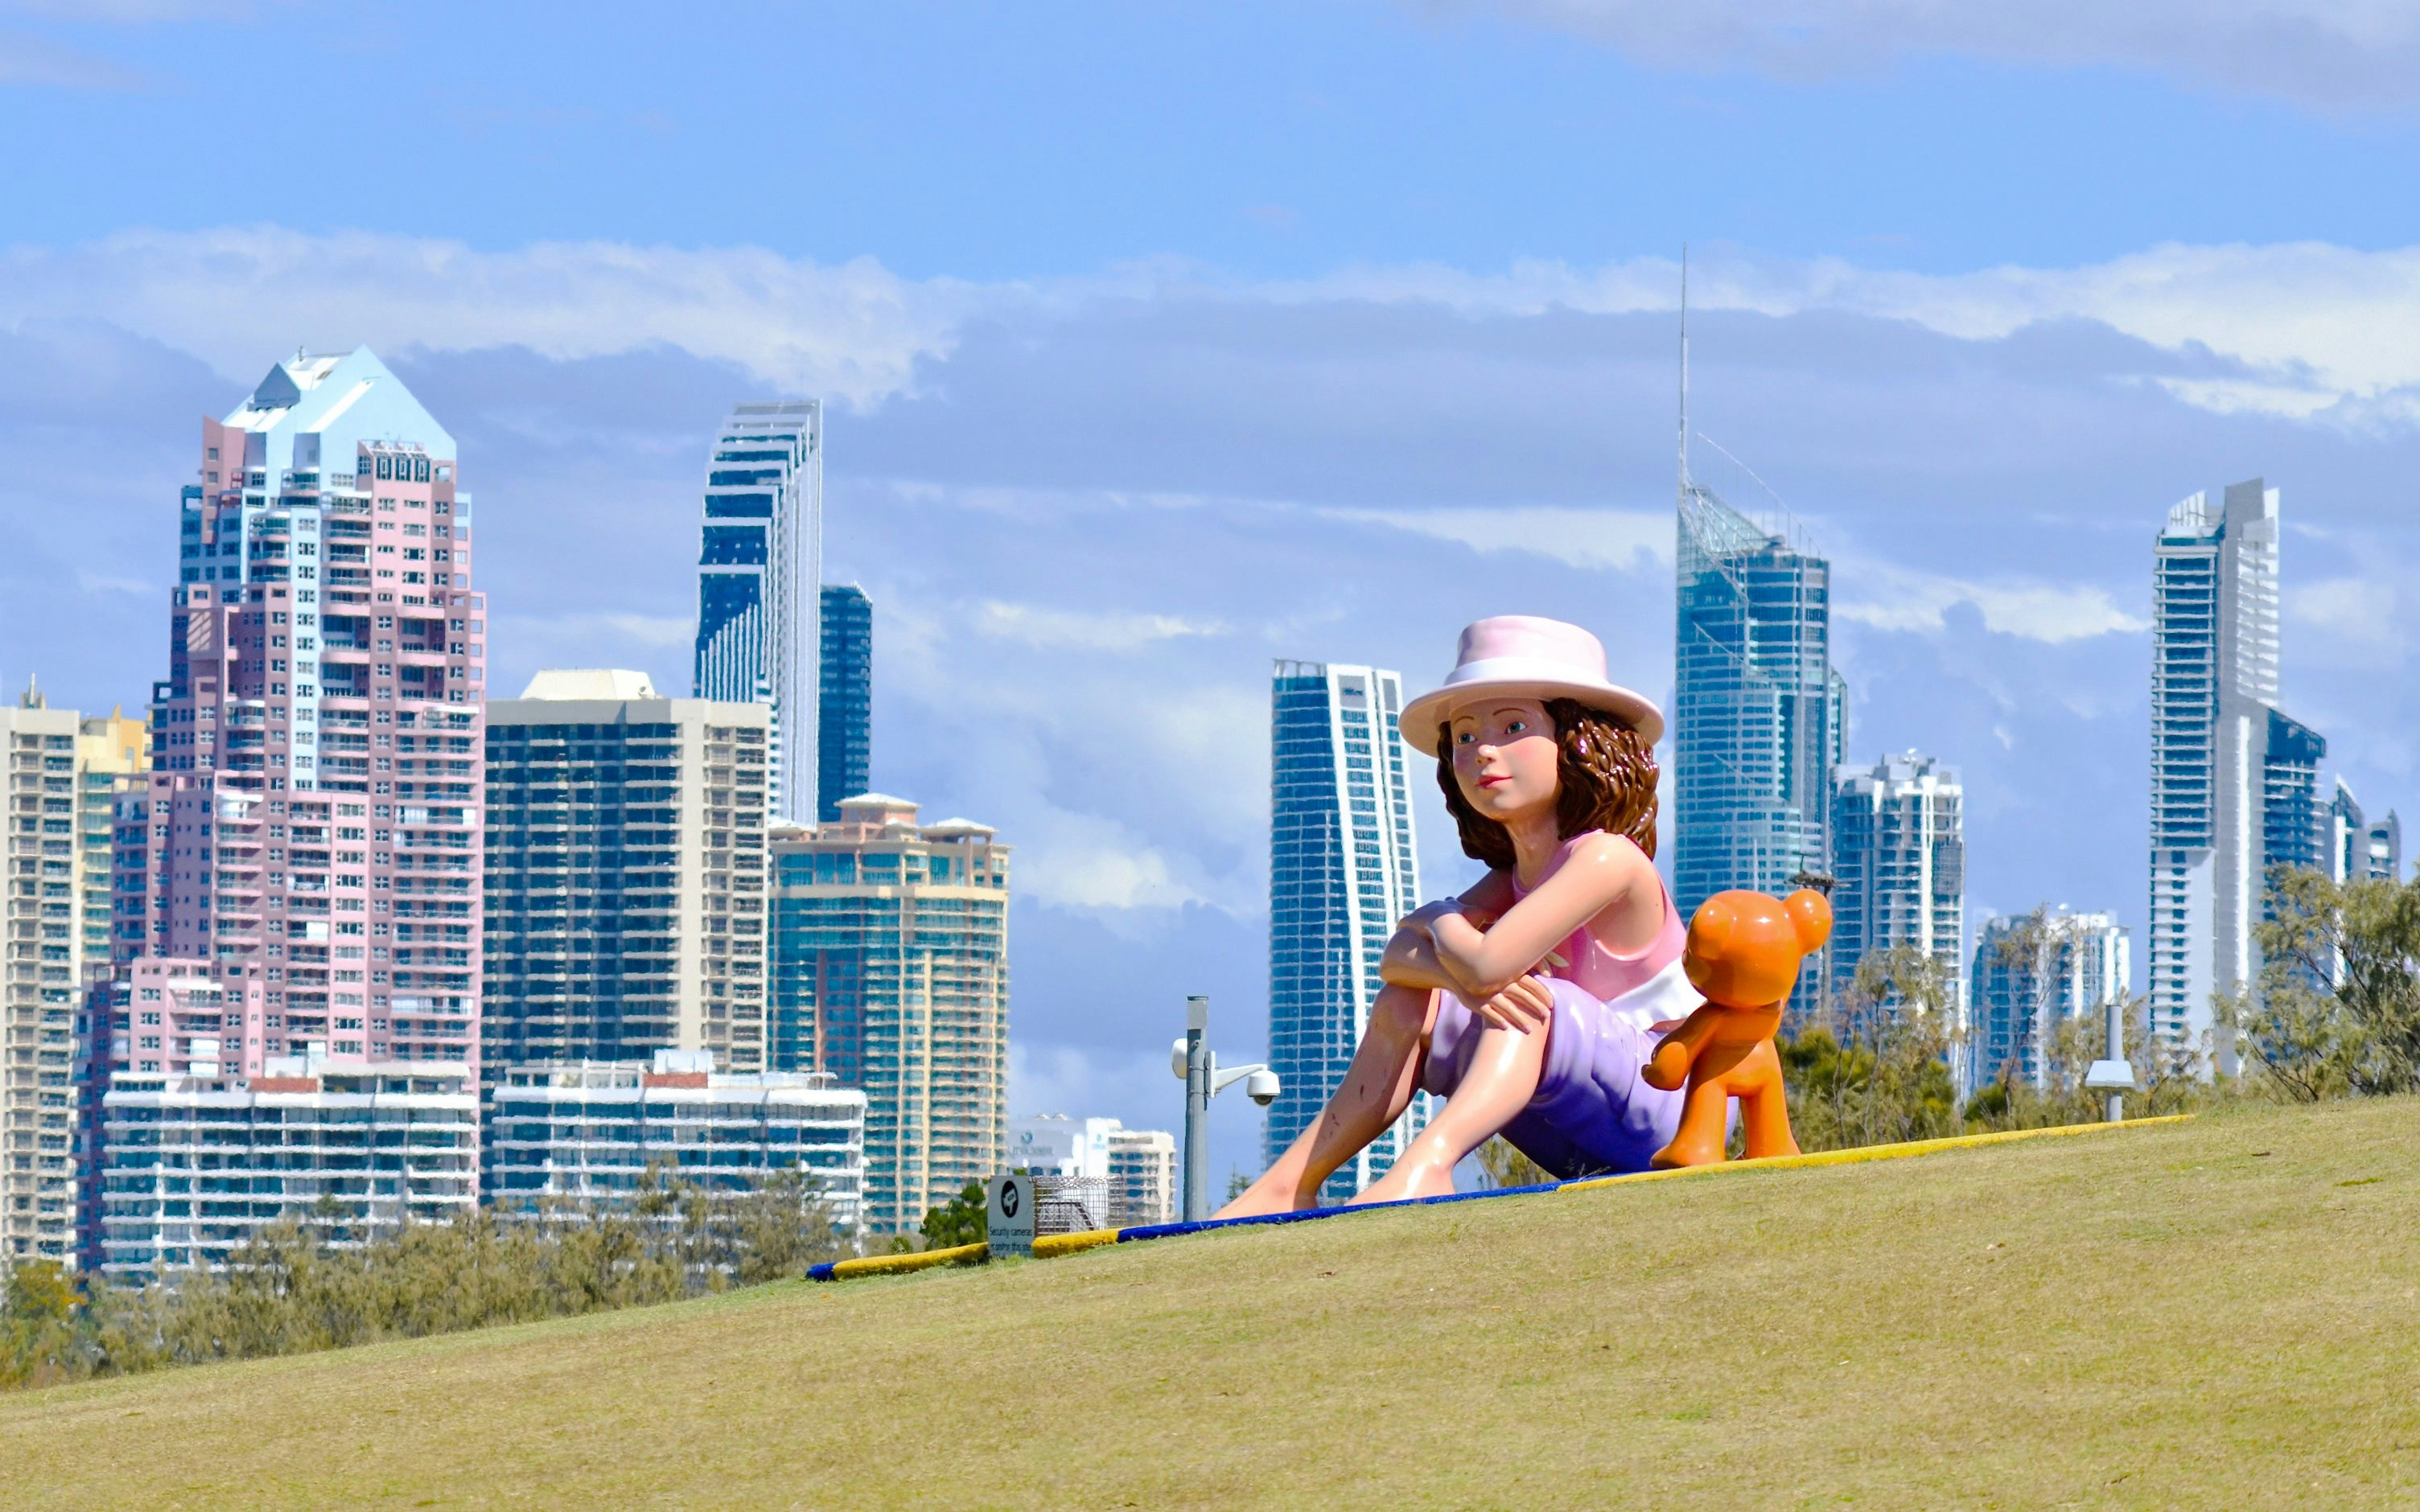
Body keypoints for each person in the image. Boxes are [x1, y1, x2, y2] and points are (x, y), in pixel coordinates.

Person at [1217, 614, 1701, 1215]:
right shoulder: (1514, 879)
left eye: (1514, 726)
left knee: (1531, 999)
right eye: (1466, 737)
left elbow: (1488, 964)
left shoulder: (1607, 858)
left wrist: (1440, 920)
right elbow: (1397, 964)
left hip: (1670, 1111)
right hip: (1577, 1126)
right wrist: (1452, 972)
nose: (1483, 752)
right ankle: (1290, 1184)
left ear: (1580, 741)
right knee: (1410, 1004)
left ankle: (1428, 1166)